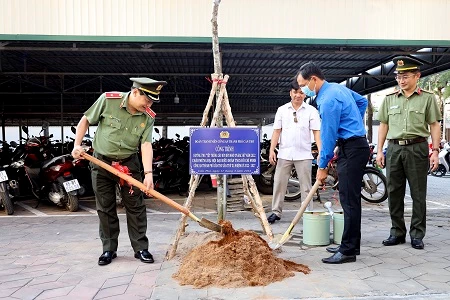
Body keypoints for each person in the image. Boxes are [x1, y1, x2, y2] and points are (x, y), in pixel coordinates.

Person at [71, 77, 167, 266]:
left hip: (129, 164)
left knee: (136, 206)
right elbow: (85, 120)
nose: (148, 104)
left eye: (152, 102)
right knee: (105, 207)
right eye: (147, 99)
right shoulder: (108, 100)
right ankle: (108, 249)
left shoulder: (148, 116)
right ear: (135, 92)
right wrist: (77, 145)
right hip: (101, 162)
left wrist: (148, 174)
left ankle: (141, 248)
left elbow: (146, 144)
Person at [296, 62, 369, 264]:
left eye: (303, 85)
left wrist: (322, 167)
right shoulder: (338, 87)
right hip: (353, 145)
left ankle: (348, 251)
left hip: (353, 148)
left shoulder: (327, 100)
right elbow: (362, 102)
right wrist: (353, 123)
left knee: (349, 201)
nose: (302, 89)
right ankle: (351, 244)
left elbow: (327, 137)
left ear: (313, 80)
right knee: (349, 200)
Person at [376, 56, 441, 250]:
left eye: (405, 76)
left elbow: (435, 125)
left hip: (418, 148)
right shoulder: (389, 99)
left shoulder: (427, 98)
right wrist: (379, 151)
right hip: (394, 148)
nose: (401, 80)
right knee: (394, 192)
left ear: (417, 76)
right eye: (398, 76)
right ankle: (397, 232)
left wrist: (435, 151)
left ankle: (417, 234)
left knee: (418, 193)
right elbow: (383, 125)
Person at [267, 79, 321, 224]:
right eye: (295, 92)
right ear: (290, 93)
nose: (298, 95)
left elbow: (316, 132)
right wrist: (272, 150)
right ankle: (275, 212)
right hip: (284, 153)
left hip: (304, 155)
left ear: (305, 95)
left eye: (301, 93)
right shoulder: (282, 110)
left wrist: (321, 151)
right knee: (279, 183)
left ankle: (307, 213)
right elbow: (277, 131)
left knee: (306, 186)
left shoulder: (311, 111)